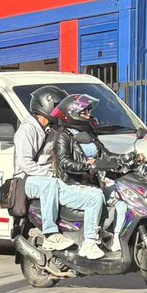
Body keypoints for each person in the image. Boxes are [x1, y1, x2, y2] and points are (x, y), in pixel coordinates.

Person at [13, 85, 102, 258]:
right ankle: (50, 234)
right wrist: (50, 175)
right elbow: (25, 163)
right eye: (58, 106)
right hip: (26, 180)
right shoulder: (28, 129)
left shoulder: (52, 129)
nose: (61, 111)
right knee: (49, 184)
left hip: (51, 180)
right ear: (46, 105)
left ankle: (89, 239)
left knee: (93, 195)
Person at [48, 94, 107, 260]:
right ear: (72, 113)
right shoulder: (63, 135)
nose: (89, 114)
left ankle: (115, 240)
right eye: (85, 111)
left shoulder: (88, 134)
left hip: (91, 183)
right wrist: (85, 166)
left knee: (120, 199)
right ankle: (89, 243)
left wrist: (128, 158)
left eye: (89, 111)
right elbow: (64, 162)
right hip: (70, 186)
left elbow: (105, 155)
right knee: (95, 197)